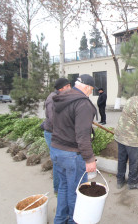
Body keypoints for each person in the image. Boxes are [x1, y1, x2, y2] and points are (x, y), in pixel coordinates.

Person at [50, 74, 98, 224]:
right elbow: (83, 136)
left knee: (64, 187)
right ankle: (73, 221)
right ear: (87, 87)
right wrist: (89, 159)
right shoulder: (83, 104)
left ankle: (59, 220)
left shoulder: (62, 98)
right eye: (91, 90)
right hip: (72, 154)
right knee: (76, 192)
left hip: (57, 150)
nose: (91, 92)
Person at [41, 78, 71, 194]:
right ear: (61, 88)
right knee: (58, 161)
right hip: (52, 134)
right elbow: (54, 120)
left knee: (61, 160)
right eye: (67, 86)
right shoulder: (52, 99)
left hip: (57, 133)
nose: (69, 88)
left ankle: (62, 186)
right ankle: (58, 189)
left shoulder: (60, 97)